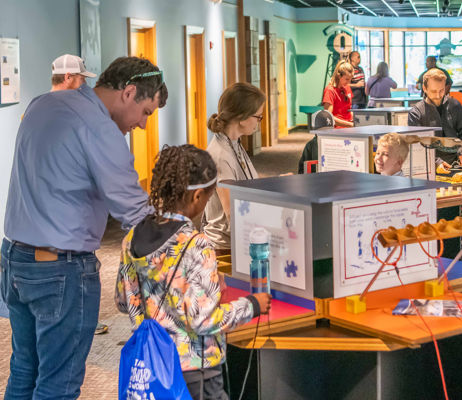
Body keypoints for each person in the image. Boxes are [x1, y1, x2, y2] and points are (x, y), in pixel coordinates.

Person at [1, 56, 168, 400]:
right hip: (60, 272)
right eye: (146, 112)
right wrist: (180, 239)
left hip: (15, 261)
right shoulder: (99, 128)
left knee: (24, 371)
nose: (143, 125)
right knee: (57, 385)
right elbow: (132, 209)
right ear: (129, 92)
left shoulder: (42, 103)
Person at [116, 144, 272, 400]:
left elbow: (124, 302)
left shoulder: (132, 237)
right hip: (195, 371)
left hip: (151, 364)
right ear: (198, 196)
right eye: (209, 197)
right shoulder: (196, 244)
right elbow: (204, 320)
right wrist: (252, 305)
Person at [47, 54, 107, 336]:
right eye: (82, 79)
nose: (84, 85)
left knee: (27, 359)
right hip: (64, 240)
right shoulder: (62, 115)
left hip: (46, 233)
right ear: (68, 78)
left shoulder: (37, 111)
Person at [203, 83, 265, 255]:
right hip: (225, 248)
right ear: (242, 117)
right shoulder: (221, 155)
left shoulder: (234, 143)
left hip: (238, 241)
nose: (259, 122)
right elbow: (232, 213)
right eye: (258, 117)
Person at [408, 68, 462, 164]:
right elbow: (417, 147)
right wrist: (437, 163)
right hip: (430, 165)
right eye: (434, 91)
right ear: (424, 89)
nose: (438, 96)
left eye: (441, 90)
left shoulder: (455, 105)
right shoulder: (416, 113)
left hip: (457, 162)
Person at [298, 110, 334, 174]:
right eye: (321, 131)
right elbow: (303, 168)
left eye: (328, 131)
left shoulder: (337, 143)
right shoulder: (311, 145)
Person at [322, 61, 354, 128]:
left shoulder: (347, 87)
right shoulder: (330, 90)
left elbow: (349, 110)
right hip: (337, 129)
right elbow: (328, 117)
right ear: (339, 76)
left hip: (349, 126)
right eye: (347, 79)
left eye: (351, 79)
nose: (349, 82)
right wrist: (350, 125)